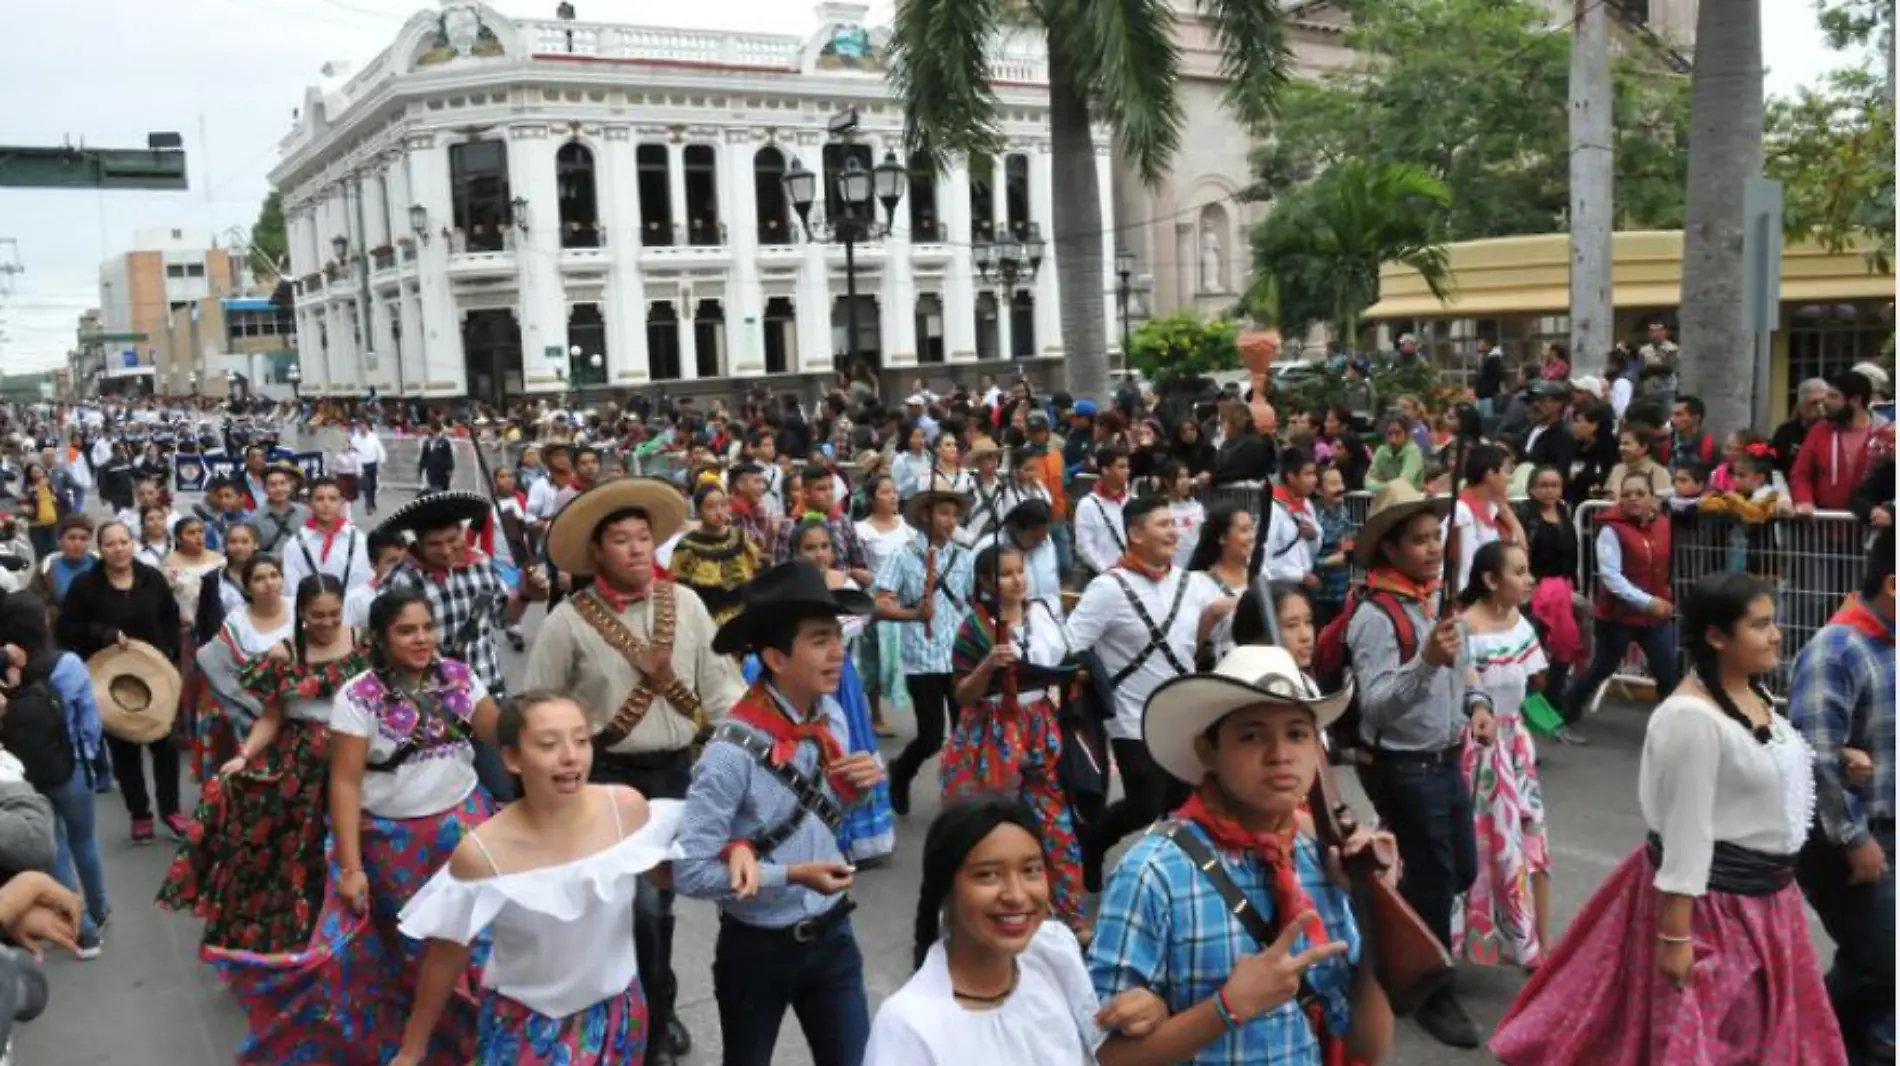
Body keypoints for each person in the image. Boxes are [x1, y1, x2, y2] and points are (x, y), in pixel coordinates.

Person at [1490, 572, 1844, 1065]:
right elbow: (1687, 830)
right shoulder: (1690, 719)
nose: (1776, 634)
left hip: (1763, 906)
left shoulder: (1749, 693)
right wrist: (1677, 937)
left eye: (1773, 622)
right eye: (1760, 624)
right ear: (1718, 637)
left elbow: (1756, 771)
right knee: (1718, 1038)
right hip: (1713, 912)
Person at [211, 589, 500, 1065]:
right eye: (407, 630)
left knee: (479, 945)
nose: (422, 638)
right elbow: (344, 784)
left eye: (427, 627)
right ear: (382, 640)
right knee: (415, 954)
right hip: (393, 846)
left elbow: (498, 730)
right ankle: (430, 1048)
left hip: (466, 830)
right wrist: (350, 868)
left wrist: (549, 725)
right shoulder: (359, 695)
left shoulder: (459, 678)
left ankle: (479, 1044)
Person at [1088, 644, 1395, 1066]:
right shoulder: (1151, 874)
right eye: (1252, 735)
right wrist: (1227, 1007)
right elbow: (1104, 1054)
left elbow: (1367, 1047)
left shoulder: (1323, 860)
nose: (1281, 754)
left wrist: (1374, 901)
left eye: (1297, 734)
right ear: (1207, 750)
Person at [523, 477, 743, 1066]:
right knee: (636, 905)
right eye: (621, 540)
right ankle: (647, 1020)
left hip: (677, 775)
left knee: (661, 905)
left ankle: (651, 1005)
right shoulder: (567, 622)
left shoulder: (688, 604)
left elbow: (723, 692)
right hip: (605, 781)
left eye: (644, 537)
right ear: (598, 553)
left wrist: (747, 762)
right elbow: (537, 711)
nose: (637, 549)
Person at [394, 694, 682, 1066]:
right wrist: (411, 1050)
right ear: (512, 758)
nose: (570, 756)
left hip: (618, 1017)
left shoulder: (624, 808)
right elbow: (446, 955)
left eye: (581, 740)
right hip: (528, 1028)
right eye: (549, 744)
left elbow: (667, 872)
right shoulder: (483, 853)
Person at [674, 562, 885, 1066]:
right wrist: (789, 874)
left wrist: (854, 791)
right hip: (757, 950)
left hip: (834, 935)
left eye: (837, 635)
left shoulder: (829, 714)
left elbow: (823, 816)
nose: (838, 652)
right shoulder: (729, 753)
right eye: (819, 640)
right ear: (775, 657)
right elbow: (690, 869)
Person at [1346, 482, 1490, 1047]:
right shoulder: (1376, 615)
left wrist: (1475, 702)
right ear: (1390, 548)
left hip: (1446, 756)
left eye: (1437, 538)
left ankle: (1386, 939)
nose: (1433, 549)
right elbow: (1377, 701)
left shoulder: (1436, 596)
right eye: (1419, 540)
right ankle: (1430, 990)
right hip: (1404, 764)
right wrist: (1427, 662)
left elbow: (1467, 661)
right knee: (1434, 879)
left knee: (1460, 871)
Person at [865, 797, 1168, 1065]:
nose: (1017, 895)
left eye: (1031, 870)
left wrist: (1152, 1013)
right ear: (945, 889)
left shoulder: (1051, 952)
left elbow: (1102, 1054)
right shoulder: (909, 1026)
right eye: (987, 875)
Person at [159, 574, 367, 955]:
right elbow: (272, 717)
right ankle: (306, 934)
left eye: (334, 614)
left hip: (358, 755)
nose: (326, 623)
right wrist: (242, 757)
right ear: (301, 613)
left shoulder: (363, 643)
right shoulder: (281, 654)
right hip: (301, 764)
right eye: (317, 616)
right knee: (296, 851)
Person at [1068, 495, 1230, 889]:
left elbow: (1216, 636)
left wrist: (1220, 614)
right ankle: (1093, 842)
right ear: (1135, 534)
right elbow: (1071, 643)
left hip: (1183, 713)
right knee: (1146, 802)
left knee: (1183, 803)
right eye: (1162, 524)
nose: (1173, 531)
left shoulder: (1195, 583)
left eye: (1174, 524)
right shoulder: (1108, 587)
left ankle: (1169, 879)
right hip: (1131, 716)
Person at [1791, 530, 1895, 1065]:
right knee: (1885, 960)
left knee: (1876, 964)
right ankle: (1814, 1038)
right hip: (1850, 838)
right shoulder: (1837, 649)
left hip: (1889, 827)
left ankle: (1846, 1046)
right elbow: (1817, 757)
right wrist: (1854, 840)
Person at [941, 544, 1083, 931]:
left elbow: (1065, 661)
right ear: (986, 581)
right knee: (990, 828)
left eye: (1020, 571)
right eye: (1006, 574)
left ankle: (1068, 915)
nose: (1017, 580)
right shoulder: (974, 627)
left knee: (1055, 823)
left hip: (1041, 727)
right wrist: (988, 665)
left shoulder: (1045, 612)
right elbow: (963, 693)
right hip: (991, 734)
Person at [382, 490, 547, 802]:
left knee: (510, 784)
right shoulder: (401, 581)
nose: (446, 550)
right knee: (452, 791)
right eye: (434, 544)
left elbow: (503, 617)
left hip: (488, 690)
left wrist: (524, 595)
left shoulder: (482, 566)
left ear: (463, 532)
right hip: (433, 704)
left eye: (452, 539)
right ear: (416, 542)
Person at [1453, 542, 1553, 968]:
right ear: (1491, 581)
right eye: (1518, 572)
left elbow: (1536, 682)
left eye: (1527, 570)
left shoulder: (1518, 621)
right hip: (1475, 751)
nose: (1528, 579)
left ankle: (1538, 946)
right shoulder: (1463, 628)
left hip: (1515, 745)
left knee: (1532, 841)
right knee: (1482, 846)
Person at [55, 521, 184, 845]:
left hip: (155, 677)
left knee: (165, 745)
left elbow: (170, 617)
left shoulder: (151, 579)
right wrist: (104, 633)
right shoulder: (85, 585)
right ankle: (140, 814)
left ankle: (171, 809)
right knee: (124, 749)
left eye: (124, 541)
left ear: (133, 544)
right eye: (111, 543)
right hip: (110, 681)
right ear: (101, 549)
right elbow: (67, 630)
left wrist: (168, 657)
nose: (119, 548)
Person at [0, 594, 109, 959]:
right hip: (72, 764)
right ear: (43, 622)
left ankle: (83, 928)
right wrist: (89, 753)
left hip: (25, 775)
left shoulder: (8, 673)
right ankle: (99, 908)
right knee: (84, 842)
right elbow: (89, 717)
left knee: (56, 849)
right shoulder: (68, 664)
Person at [874, 489, 975, 817]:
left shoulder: (964, 556)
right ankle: (901, 772)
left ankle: (959, 793)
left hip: (959, 657)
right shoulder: (903, 555)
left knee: (965, 731)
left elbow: (975, 601)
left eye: (954, 515)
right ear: (925, 516)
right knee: (931, 737)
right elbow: (881, 603)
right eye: (943, 513)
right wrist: (914, 614)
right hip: (922, 657)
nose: (950, 521)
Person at [1560, 473, 1680, 743]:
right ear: (1619, 498)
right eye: (1627, 494)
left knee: (1668, 670)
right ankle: (1566, 713)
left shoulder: (1663, 524)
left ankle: (1673, 729)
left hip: (1655, 614)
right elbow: (1612, 578)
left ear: (1652, 497)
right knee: (1602, 667)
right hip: (1618, 615)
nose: (1633, 498)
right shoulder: (1610, 529)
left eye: (1640, 493)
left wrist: (1664, 595)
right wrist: (1648, 602)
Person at [853, 473, 913, 737]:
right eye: (886, 492)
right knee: (874, 661)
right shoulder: (861, 530)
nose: (893, 497)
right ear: (872, 498)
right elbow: (855, 565)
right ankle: (875, 715)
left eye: (894, 491)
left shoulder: (908, 527)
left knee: (912, 661)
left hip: (904, 602)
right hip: (876, 603)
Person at [668, 480, 761, 628]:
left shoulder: (739, 537)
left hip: (744, 616)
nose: (719, 512)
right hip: (707, 619)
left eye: (723, 505)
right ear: (699, 511)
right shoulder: (688, 546)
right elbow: (678, 586)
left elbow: (756, 570)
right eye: (710, 507)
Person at [1446, 443, 1525, 594]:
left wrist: (1508, 514)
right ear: (1490, 474)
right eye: (1506, 471)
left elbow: (1521, 552)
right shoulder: (1462, 512)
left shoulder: (1496, 508)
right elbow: (1465, 569)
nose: (1510, 479)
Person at [1186, 504, 1257, 665]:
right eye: (1244, 530)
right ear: (1222, 537)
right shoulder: (1197, 582)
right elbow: (1186, 645)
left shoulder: (1260, 573)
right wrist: (1211, 615)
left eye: (1252, 529)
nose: (1251, 536)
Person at [282, 476, 374, 597]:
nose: (326, 504)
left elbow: (364, 582)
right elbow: (291, 590)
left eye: (333, 499)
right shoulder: (294, 545)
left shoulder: (359, 540)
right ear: (309, 503)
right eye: (319, 499)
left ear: (342, 502)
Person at [1263, 448, 1320, 587]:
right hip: (1281, 588)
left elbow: (1314, 550)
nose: (1314, 479)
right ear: (1291, 477)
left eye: (1314, 474)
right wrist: (1299, 576)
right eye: (1308, 474)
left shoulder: (1306, 504)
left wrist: (1313, 537)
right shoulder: (1272, 510)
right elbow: (1264, 561)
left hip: (1305, 583)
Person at [1074, 447, 1132, 578]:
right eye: (1121, 467)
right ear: (1105, 470)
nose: (1127, 471)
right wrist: (1106, 571)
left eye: (1128, 467)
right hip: (1103, 575)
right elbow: (1084, 546)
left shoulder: (1132, 500)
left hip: (1133, 573)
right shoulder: (1087, 504)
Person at [251, 464, 312, 557]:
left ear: (290, 485)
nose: (278, 489)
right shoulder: (255, 519)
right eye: (272, 485)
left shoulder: (305, 513)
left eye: (283, 483)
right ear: (264, 488)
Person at [36, 515, 93, 605]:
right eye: (72, 538)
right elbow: (32, 601)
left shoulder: (102, 566)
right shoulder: (46, 568)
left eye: (83, 539)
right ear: (59, 542)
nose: (77, 544)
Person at [1608, 425, 1671, 501]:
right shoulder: (1617, 469)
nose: (1621, 448)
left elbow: (1660, 504)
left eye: (1626, 444)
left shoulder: (1659, 472)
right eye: (1621, 444)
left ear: (1644, 448)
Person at [1364, 417, 1424, 494]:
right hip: (1388, 501)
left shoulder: (1413, 451)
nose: (1393, 439)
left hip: (1411, 501)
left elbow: (1404, 483)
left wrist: (1381, 484)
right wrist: (1388, 487)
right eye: (1389, 433)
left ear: (1406, 435)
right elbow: (1368, 481)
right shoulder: (1381, 451)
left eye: (1398, 433)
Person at [349, 419, 387, 515]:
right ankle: (368, 505)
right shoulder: (355, 439)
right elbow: (352, 452)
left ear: (367, 427)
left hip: (372, 463)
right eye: (361, 427)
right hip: (361, 465)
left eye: (364, 426)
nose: (363, 428)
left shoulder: (373, 437)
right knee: (367, 486)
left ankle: (372, 502)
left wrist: (382, 460)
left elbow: (379, 449)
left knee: (373, 485)